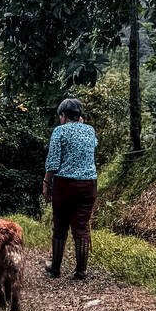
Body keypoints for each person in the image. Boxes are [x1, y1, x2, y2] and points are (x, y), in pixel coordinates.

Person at [41, 98, 97, 281]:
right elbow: (93, 145)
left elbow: (53, 162)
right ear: (79, 116)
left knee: (60, 226)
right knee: (81, 227)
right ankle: (81, 271)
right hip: (89, 184)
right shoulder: (90, 131)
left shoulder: (60, 131)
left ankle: (55, 268)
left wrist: (46, 182)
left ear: (63, 115)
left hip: (65, 184)